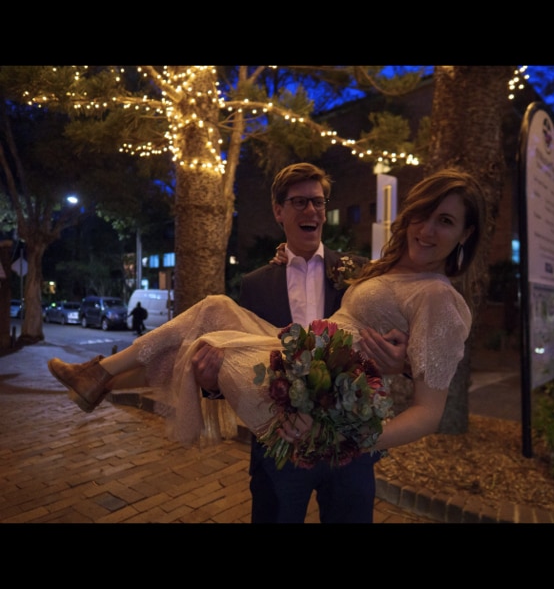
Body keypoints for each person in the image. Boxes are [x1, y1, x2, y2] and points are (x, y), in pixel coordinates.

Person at [47, 167, 485, 512]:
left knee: (207, 339)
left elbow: (430, 410)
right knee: (214, 308)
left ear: (465, 234)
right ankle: (99, 377)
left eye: (444, 221)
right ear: (280, 212)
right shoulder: (377, 270)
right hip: (295, 357)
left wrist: (346, 433)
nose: (426, 230)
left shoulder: (436, 296)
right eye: (422, 214)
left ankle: (102, 382)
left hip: (323, 412)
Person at [192, 162, 409, 524]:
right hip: (281, 447)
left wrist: (399, 358)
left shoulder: (359, 272)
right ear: (279, 211)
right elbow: (242, 358)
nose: (311, 210)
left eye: (318, 202)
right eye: (299, 202)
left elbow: (397, 331)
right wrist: (212, 385)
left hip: (350, 448)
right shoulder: (256, 284)